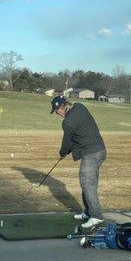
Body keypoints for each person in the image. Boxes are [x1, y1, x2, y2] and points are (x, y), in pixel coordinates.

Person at [50, 95, 107, 228]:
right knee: (88, 183)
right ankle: (88, 212)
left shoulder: (67, 122)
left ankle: (96, 216)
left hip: (92, 153)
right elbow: (79, 132)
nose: (57, 114)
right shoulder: (80, 106)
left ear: (61, 108)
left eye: (56, 111)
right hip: (99, 150)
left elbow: (67, 142)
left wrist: (63, 152)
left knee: (87, 183)